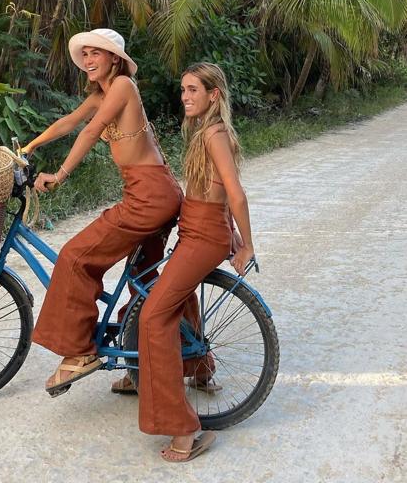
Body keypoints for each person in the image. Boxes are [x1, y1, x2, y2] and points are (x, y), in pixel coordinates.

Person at [21, 28, 183, 395]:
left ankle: (79, 353)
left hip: (148, 196)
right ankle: (159, 363)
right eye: (86, 55)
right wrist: (30, 146)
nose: (89, 60)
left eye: (97, 53)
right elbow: (70, 123)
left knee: (76, 257)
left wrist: (59, 175)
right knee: (149, 285)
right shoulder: (102, 93)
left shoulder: (124, 86)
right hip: (152, 192)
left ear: (115, 59)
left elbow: (92, 131)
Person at [137, 62, 255, 463]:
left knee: (153, 318)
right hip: (199, 230)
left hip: (203, 237)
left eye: (193, 90)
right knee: (177, 299)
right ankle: (200, 369)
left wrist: (247, 244)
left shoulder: (215, 134)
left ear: (213, 95)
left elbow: (235, 194)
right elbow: (214, 191)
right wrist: (231, 235)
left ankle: (186, 430)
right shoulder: (205, 132)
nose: (186, 96)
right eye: (183, 90)